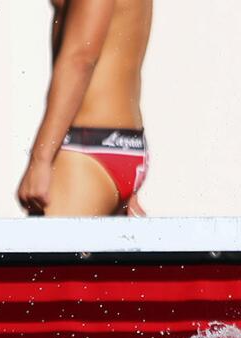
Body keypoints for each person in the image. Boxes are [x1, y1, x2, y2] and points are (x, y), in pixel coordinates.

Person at [16, 0, 152, 217]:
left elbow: (80, 58)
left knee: (44, 249)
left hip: (86, 152)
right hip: (123, 145)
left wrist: (40, 159)